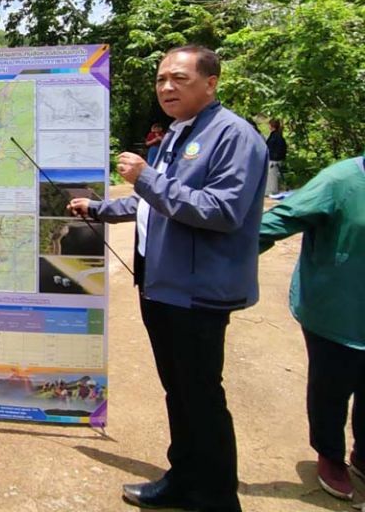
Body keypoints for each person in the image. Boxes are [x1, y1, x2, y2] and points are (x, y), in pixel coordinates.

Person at [67, 45, 267, 511]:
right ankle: (184, 479)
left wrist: (144, 178)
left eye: (179, 78)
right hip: (160, 285)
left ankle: (216, 499)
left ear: (211, 83)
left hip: (197, 292)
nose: (166, 88)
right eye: (161, 80)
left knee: (200, 396)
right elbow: (154, 204)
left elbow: (222, 211)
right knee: (178, 391)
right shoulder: (180, 134)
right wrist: (99, 208)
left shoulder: (234, 136)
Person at [259, 154, 365, 500]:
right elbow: (281, 219)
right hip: (336, 311)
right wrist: (221, 256)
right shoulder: (340, 181)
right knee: (332, 386)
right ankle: (330, 455)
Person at [265, 119, 287, 196]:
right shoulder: (276, 135)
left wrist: (275, 157)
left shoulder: (275, 136)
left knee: (272, 176)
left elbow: (273, 148)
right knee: (271, 176)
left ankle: (272, 192)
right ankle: (271, 191)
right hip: (274, 158)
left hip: (274, 159)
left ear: (271, 126)